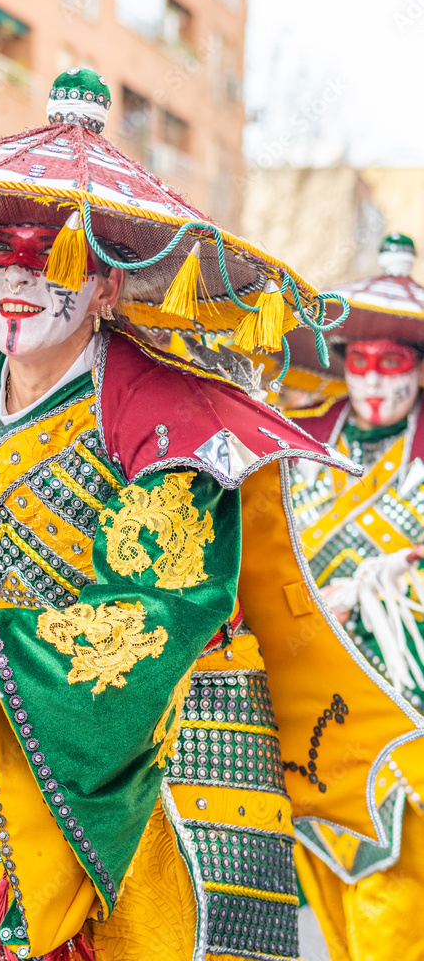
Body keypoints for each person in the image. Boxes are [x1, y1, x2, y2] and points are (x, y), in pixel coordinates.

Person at [0, 71, 424, 961]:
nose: (18, 282)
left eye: (52, 258)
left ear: (108, 290)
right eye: (0, 254)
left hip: (167, 746)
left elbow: (163, 610)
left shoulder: (173, 417)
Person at [286, 232, 424, 961]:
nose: (372, 381)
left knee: (395, 888)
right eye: (360, 363)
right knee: (325, 879)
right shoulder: (298, 442)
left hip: (402, 703)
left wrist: (386, 589)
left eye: (392, 363)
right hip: (305, 697)